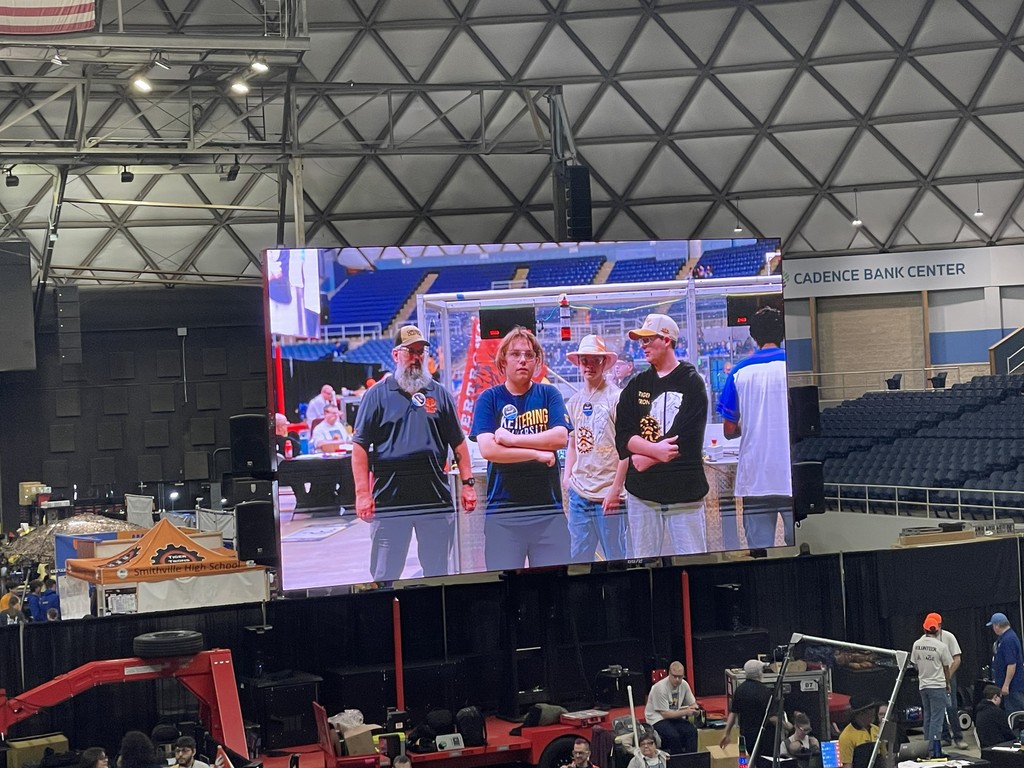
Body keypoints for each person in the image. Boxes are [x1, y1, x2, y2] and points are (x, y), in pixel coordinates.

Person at [352, 325, 477, 581]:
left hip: (434, 500)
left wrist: (468, 484)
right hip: (390, 502)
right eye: (411, 351)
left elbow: (458, 442)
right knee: (385, 576)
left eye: (421, 352)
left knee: (437, 573)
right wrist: (363, 494)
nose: (417, 357)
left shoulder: (439, 393)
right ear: (396, 354)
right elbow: (360, 447)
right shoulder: (376, 395)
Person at [470, 326, 572, 570]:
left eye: (529, 355)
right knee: (506, 595)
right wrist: (537, 453)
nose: (523, 360)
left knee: (555, 592)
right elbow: (490, 450)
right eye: (515, 354)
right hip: (503, 517)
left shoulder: (549, 394)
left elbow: (559, 438)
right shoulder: (489, 398)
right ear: (503, 359)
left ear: (537, 361)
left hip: (548, 514)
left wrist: (512, 440)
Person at [615, 314, 709, 557]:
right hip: (642, 493)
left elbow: (687, 438)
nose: (642, 345)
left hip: (684, 493)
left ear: (666, 340)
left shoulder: (692, 382)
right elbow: (624, 435)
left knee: (692, 558)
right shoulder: (636, 385)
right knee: (641, 562)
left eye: (648, 340)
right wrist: (656, 450)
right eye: (641, 341)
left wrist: (646, 457)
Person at [717, 306, 793, 548]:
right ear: (782, 333)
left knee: (760, 551)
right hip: (791, 476)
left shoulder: (739, 372)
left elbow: (728, 430)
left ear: (753, 336)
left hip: (756, 477)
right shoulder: (793, 367)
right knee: (802, 547)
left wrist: (747, 424)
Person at [562, 334, 627, 563]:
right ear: (579, 363)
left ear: (604, 363)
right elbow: (572, 442)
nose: (589, 365)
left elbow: (626, 448)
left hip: (608, 493)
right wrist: (567, 476)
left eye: (594, 360)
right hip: (579, 493)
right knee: (578, 559)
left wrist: (616, 489)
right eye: (584, 360)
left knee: (616, 558)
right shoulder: (574, 402)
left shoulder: (617, 398)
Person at [720, 659, 778, 757]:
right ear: (759, 673)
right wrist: (787, 726)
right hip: (764, 737)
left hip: (745, 736)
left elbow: (733, 713)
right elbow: (772, 717)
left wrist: (727, 733)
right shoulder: (765, 692)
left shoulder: (740, 690)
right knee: (764, 762)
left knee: (744, 759)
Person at [911, 612, 952, 746]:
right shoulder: (941, 646)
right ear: (937, 629)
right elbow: (946, 667)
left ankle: (926, 747)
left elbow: (915, 665)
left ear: (924, 628)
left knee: (927, 717)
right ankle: (934, 749)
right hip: (937, 685)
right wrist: (947, 683)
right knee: (937, 719)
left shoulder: (916, 644)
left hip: (923, 685)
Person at [644, 660, 699, 754]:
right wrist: (686, 712)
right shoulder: (659, 688)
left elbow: (693, 703)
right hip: (657, 719)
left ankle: (691, 760)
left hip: (675, 716)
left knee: (692, 731)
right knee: (673, 736)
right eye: (675, 676)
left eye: (680, 677)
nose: (677, 680)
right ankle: (677, 762)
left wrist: (695, 710)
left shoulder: (684, 684)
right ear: (669, 674)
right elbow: (665, 714)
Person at [930, 614, 968, 748]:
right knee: (938, 708)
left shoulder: (949, 637)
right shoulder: (926, 640)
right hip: (934, 678)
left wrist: (948, 676)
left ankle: (958, 737)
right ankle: (945, 737)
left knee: (951, 707)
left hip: (948, 676)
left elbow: (957, 659)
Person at [988, 612, 1024, 713]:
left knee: (1015, 712)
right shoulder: (1006, 638)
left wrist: (1006, 684)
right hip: (1011, 685)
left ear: (997, 625)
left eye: (993, 626)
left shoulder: (1008, 640)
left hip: (1013, 686)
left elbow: (1011, 664)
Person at [838, 694, 880, 768]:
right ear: (861, 713)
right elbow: (847, 765)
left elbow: (884, 756)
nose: (874, 712)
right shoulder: (846, 736)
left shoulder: (876, 729)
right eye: (871, 709)